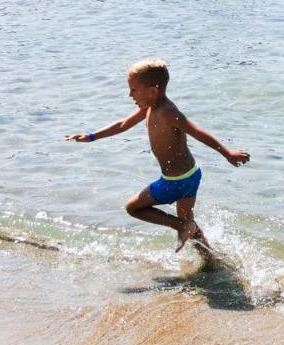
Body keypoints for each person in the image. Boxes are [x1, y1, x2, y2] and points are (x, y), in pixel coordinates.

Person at [66, 59, 250, 266]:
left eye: (134, 90)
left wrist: (227, 153)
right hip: (190, 175)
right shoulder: (150, 107)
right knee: (189, 223)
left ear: (153, 91)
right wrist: (91, 136)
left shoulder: (167, 112)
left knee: (133, 208)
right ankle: (211, 260)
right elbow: (122, 125)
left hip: (174, 181)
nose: (130, 95)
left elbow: (197, 132)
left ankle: (180, 227)